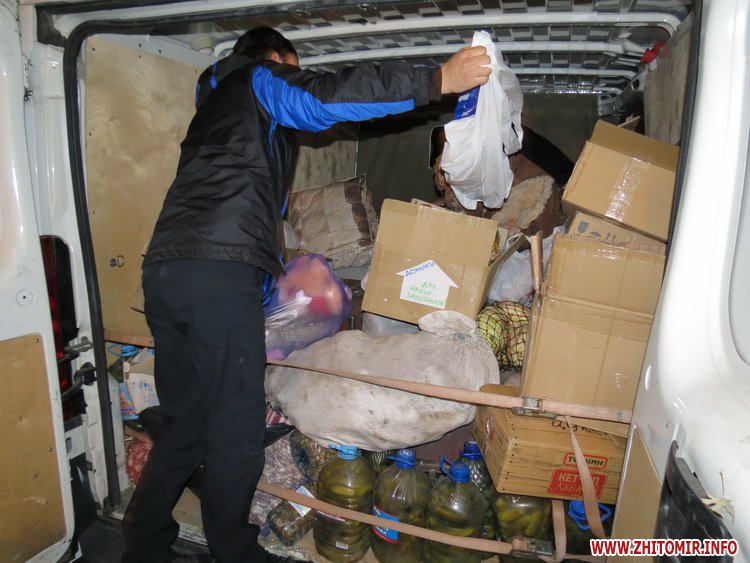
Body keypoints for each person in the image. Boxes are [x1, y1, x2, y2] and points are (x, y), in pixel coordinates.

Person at [121, 26, 490, 563]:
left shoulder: (215, 105)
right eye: (290, 65)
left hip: (166, 272)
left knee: (186, 424)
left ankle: (144, 543)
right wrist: (436, 80)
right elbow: (323, 96)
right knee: (235, 432)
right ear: (275, 56)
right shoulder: (257, 78)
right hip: (218, 273)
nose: (290, 74)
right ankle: (235, 554)